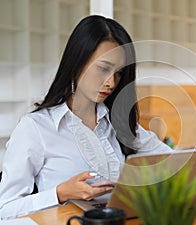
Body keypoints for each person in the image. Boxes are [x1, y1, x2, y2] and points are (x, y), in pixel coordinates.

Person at [0, 15, 172, 220]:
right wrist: (61, 193)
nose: (111, 82)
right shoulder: (36, 128)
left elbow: (176, 163)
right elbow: (5, 209)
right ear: (77, 62)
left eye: (118, 73)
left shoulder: (118, 124)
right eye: (103, 69)